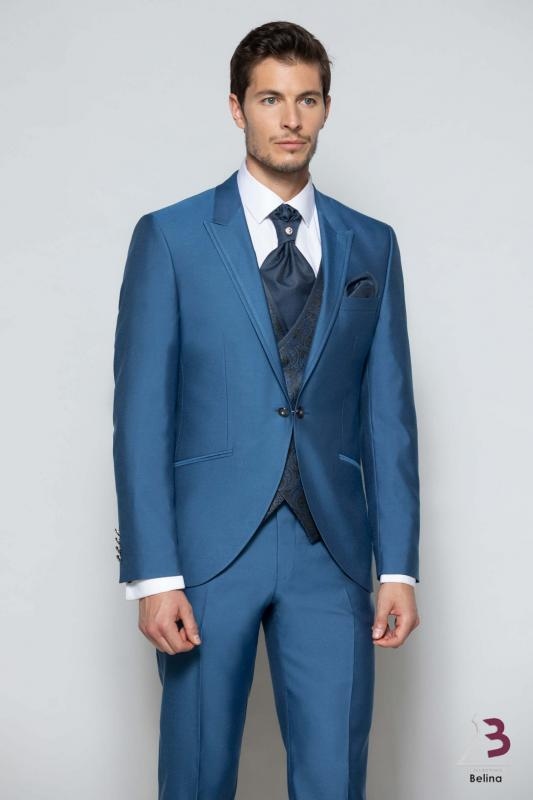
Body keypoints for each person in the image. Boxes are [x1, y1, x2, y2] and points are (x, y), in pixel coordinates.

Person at [112, 19, 421, 800]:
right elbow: (141, 418)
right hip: (205, 556)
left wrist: (398, 566)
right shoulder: (172, 237)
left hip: (333, 551)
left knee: (333, 777)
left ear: (325, 109)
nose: (290, 118)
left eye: (306, 99)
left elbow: (389, 417)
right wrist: (153, 575)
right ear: (236, 107)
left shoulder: (371, 245)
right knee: (196, 774)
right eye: (270, 99)